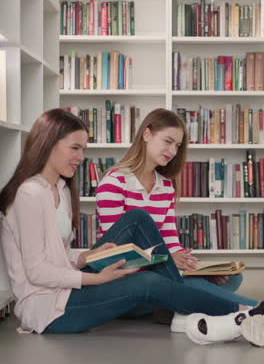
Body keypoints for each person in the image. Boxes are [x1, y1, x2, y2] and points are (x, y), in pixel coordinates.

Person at [0, 108, 263, 346]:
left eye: (83, 149)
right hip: (47, 309)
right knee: (142, 239)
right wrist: (97, 277)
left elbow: (57, 253)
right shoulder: (29, 194)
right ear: (48, 144)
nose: (82, 157)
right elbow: (36, 271)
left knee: (169, 278)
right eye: (75, 148)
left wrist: (84, 256)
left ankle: (224, 311)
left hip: (69, 289)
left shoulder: (59, 189)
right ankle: (248, 312)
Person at [95, 108, 255, 332]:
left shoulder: (165, 186)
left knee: (231, 279)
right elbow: (117, 252)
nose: (172, 151)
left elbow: (171, 240)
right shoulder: (114, 182)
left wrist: (195, 266)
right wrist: (168, 259)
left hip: (160, 270)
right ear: (147, 134)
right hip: (126, 278)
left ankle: (175, 306)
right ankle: (253, 311)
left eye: (177, 146)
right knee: (189, 284)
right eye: (168, 141)